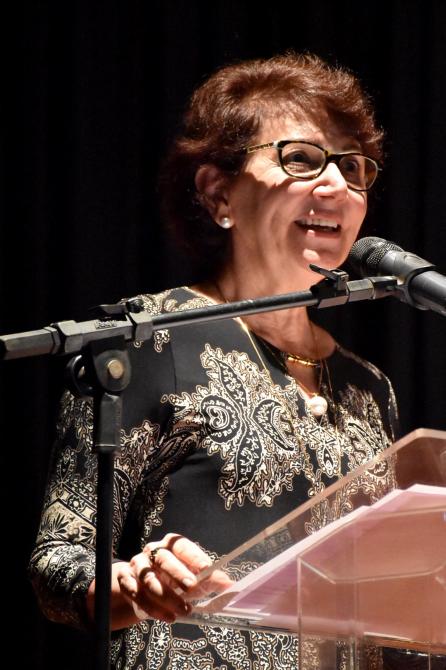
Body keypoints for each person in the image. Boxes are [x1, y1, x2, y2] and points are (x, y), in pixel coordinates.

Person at [30, 53, 400, 669]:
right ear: (218, 192)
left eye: (353, 166)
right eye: (301, 159)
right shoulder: (146, 338)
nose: (337, 185)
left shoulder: (370, 386)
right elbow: (58, 562)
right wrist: (135, 585)